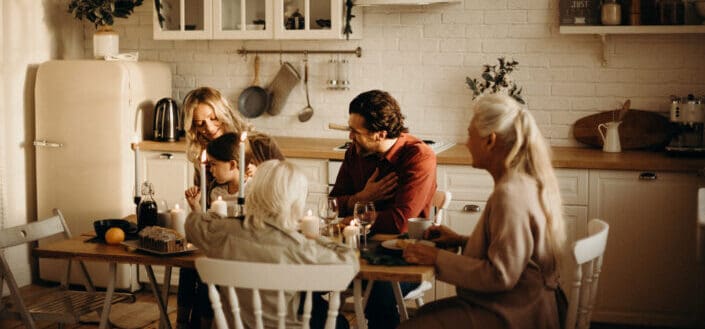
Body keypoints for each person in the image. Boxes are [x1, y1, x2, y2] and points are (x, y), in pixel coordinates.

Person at [399, 94, 567, 329]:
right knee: (420, 315)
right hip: (524, 304)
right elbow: (516, 254)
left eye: (470, 134)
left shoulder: (510, 194)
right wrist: (459, 240)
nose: (466, 143)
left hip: (517, 313)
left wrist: (436, 258)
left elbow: (500, 275)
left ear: (490, 141)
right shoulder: (523, 183)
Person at [186, 160, 358, 329]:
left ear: (252, 193)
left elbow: (193, 222)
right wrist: (314, 237)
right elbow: (350, 261)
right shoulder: (300, 246)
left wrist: (227, 220)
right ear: (295, 202)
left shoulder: (224, 232)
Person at [329, 89, 437, 329]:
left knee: (379, 293)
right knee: (305, 278)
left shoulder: (418, 157)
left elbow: (401, 222)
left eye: (356, 132)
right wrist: (362, 197)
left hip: (403, 256)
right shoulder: (354, 153)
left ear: (380, 134)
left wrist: (354, 213)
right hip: (354, 251)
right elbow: (333, 204)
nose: (350, 136)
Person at [179, 87, 284, 329]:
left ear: (224, 112)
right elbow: (208, 210)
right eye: (199, 123)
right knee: (191, 265)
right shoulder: (204, 159)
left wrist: (263, 175)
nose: (209, 127)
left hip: (258, 240)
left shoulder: (261, 145)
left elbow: (288, 188)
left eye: (213, 118)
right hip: (222, 238)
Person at [185, 132, 283, 213]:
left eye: (213, 164)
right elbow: (208, 224)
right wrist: (195, 205)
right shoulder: (217, 192)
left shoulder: (254, 190)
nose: (210, 170)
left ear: (232, 165)